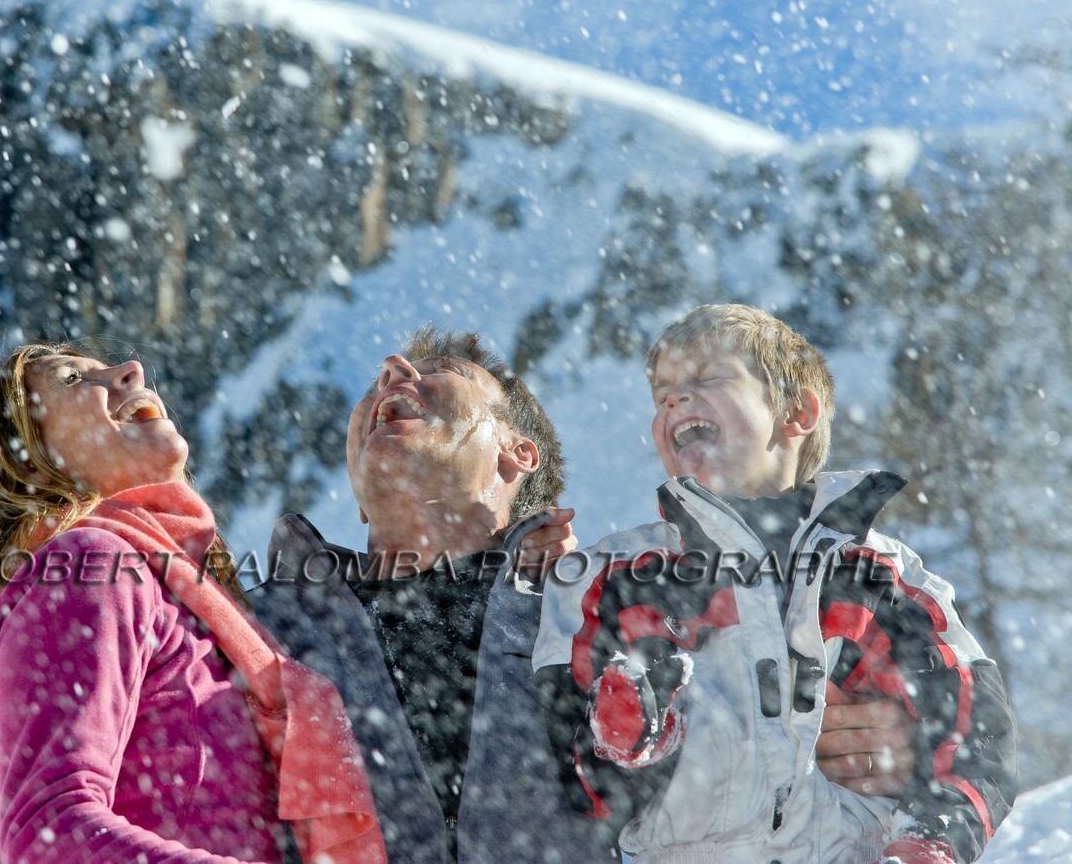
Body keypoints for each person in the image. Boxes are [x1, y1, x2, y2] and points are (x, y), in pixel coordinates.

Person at [253, 325, 917, 863]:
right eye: (381, 382)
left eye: (441, 374)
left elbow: (740, 740)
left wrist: (853, 741)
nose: (392, 372)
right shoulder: (253, 631)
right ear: (359, 499)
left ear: (518, 455)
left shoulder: (607, 611)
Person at [533, 304, 1018, 863]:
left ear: (796, 412)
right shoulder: (618, 578)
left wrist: (928, 842)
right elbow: (571, 776)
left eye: (707, 378)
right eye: (662, 394)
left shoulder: (874, 575)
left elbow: (973, 731)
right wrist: (628, 738)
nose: (674, 400)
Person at [0, 344, 386, 864]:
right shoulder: (88, 566)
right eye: (73, 379)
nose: (132, 371)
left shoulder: (183, 602)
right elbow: (48, 836)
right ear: (27, 463)